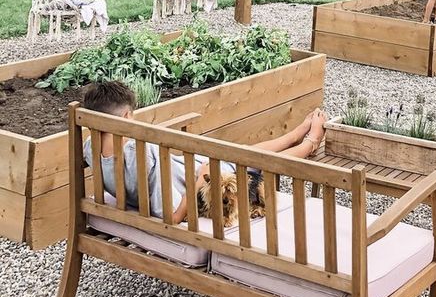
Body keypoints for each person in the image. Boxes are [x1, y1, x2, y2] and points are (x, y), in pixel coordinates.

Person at [81, 80, 326, 224]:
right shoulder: (140, 152)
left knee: (240, 152)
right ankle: (310, 141)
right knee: (258, 161)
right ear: (127, 116)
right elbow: (173, 215)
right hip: (201, 182)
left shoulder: (90, 148)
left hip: (185, 169)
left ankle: (295, 135)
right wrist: (199, 180)